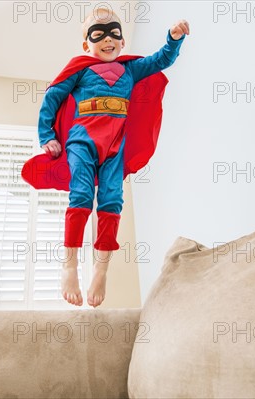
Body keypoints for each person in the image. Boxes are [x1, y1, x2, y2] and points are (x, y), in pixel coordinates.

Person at [22, 8, 190, 307]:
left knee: (112, 200)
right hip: (81, 140)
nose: (108, 39)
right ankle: (70, 265)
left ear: (123, 42)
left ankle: (101, 269)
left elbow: (161, 60)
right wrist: (47, 136)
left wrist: (173, 39)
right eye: (98, 34)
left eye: (114, 32)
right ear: (87, 45)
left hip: (115, 145)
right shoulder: (80, 68)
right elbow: (53, 97)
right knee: (82, 194)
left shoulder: (130, 70)